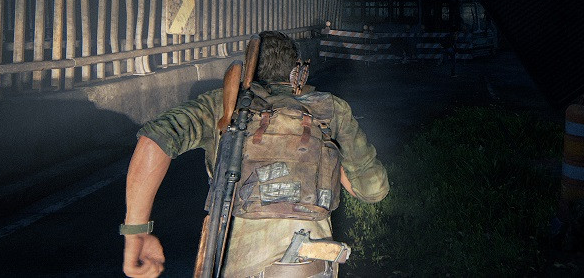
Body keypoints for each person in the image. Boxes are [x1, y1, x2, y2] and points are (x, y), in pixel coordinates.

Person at [121, 31, 389, 278]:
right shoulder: (332, 109)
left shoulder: (223, 104)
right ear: (298, 71)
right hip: (313, 268)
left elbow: (154, 138)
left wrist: (136, 233)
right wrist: (330, 157)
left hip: (239, 266)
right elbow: (373, 190)